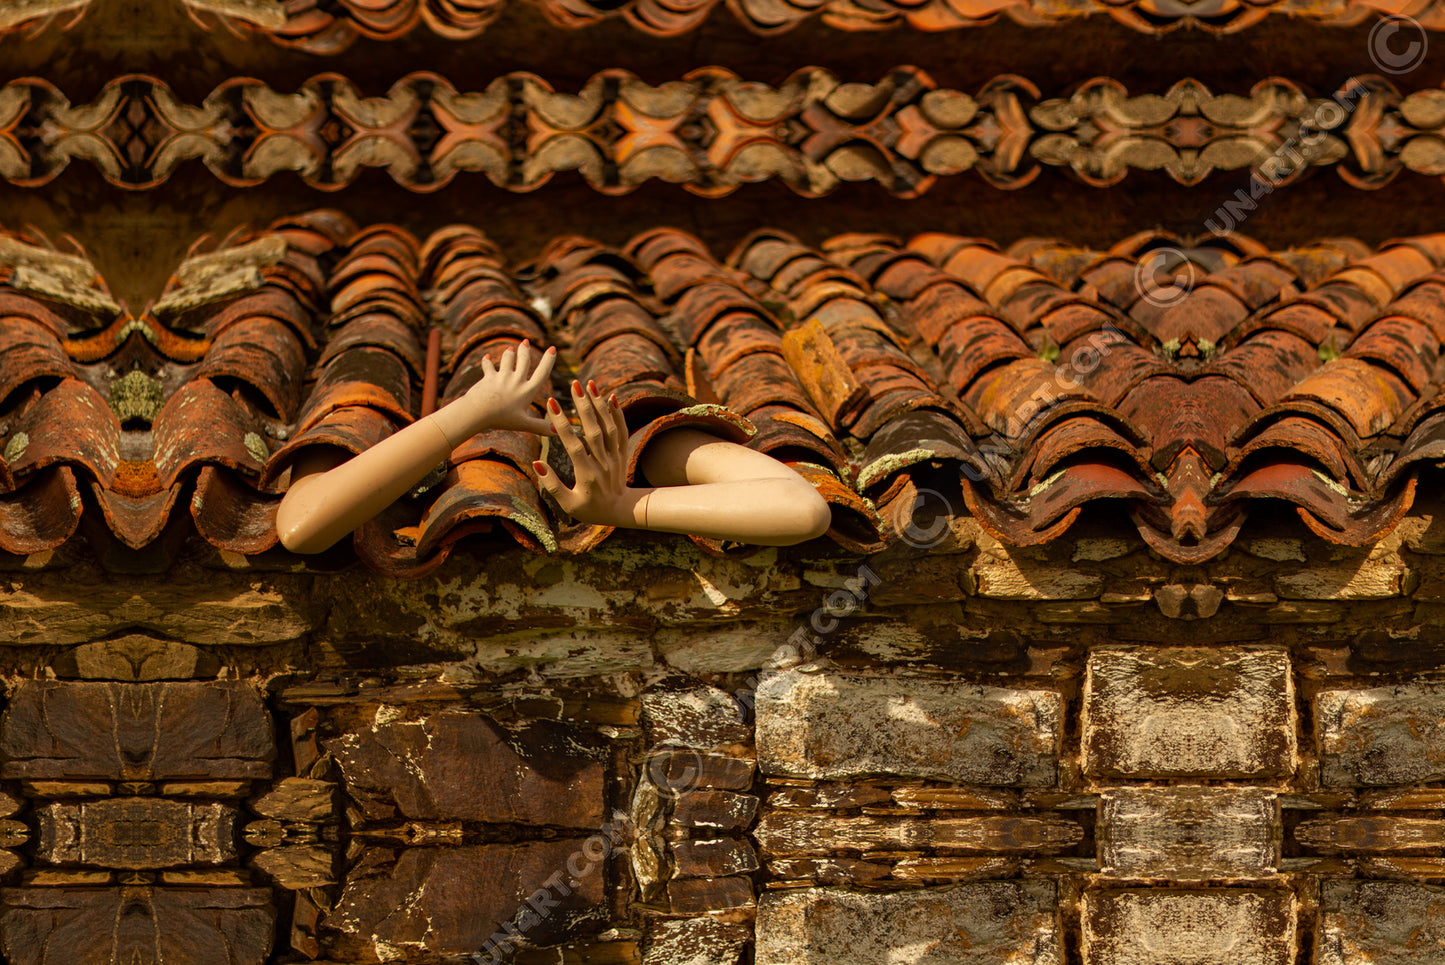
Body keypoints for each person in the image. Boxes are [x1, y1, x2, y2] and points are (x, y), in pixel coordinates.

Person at [276, 341, 833, 554]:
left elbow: (803, 508)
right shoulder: (363, 417)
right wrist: (471, 414)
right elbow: (302, 526)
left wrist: (620, 506)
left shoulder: (623, 438)